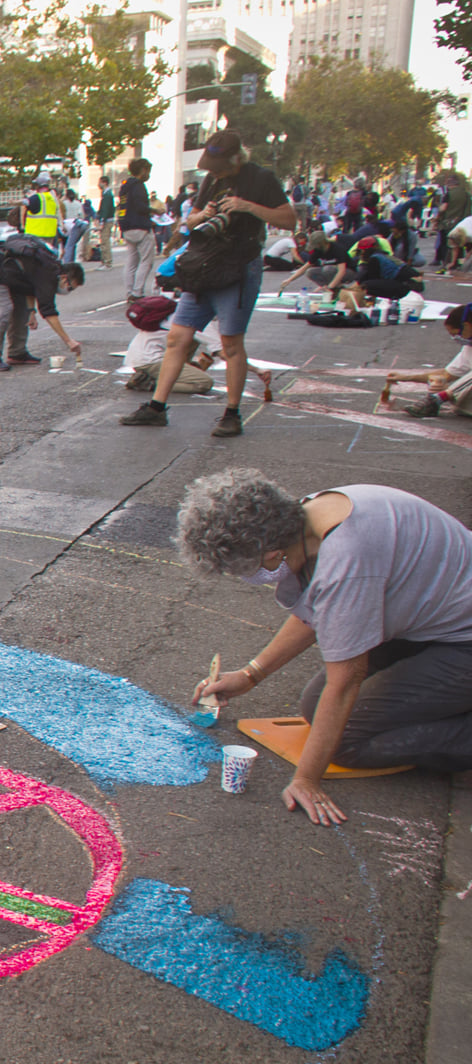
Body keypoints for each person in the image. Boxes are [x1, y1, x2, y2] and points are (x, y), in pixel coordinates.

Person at [180, 470, 472, 824]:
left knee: (346, 742)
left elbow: (346, 680)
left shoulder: (347, 561)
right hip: (432, 623)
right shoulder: (312, 515)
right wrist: (250, 675)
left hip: (461, 642)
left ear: (272, 556)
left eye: (249, 568)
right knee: (315, 707)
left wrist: (307, 779)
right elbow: (319, 611)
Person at [120, 131, 296, 439]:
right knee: (177, 338)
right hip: (203, 265)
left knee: (230, 344)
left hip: (238, 265)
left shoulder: (261, 179)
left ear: (236, 158)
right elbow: (190, 222)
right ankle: (157, 408)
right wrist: (205, 214)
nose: (212, 173)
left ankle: (232, 413)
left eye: (218, 167)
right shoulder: (211, 180)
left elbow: (289, 219)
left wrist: (246, 207)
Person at [0, 231, 84, 371]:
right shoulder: (49, 276)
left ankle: (17, 352)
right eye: (70, 288)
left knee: (22, 309)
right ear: (64, 278)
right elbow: (49, 312)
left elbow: (30, 285)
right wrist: (68, 341)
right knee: (4, 308)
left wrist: (31, 311)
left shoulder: (51, 268)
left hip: (11, 273)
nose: (67, 291)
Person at [384, 302, 472, 417]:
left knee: (455, 396)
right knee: (460, 404)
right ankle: (442, 397)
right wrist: (406, 377)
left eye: (456, 334)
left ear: (467, 325)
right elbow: (448, 374)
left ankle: (437, 399)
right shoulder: (469, 348)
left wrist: (446, 392)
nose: (456, 338)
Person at [119, 158, 157, 302]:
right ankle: (138, 291)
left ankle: (129, 291)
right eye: (148, 171)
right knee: (146, 260)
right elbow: (141, 207)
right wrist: (155, 211)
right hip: (141, 226)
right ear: (143, 170)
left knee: (131, 261)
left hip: (127, 227)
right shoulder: (139, 186)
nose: (148, 174)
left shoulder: (125, 187)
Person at [97, 178, 119, 269]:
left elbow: (105, 209)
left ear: (104, 183)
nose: (98, 184)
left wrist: (102, 221)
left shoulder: (107, 195)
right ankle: (104, 261)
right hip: (108, 220)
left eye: (100, 182)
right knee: (104, 242)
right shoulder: (107, 194)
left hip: (107, 221)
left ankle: (107, 262)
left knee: (105, 242)